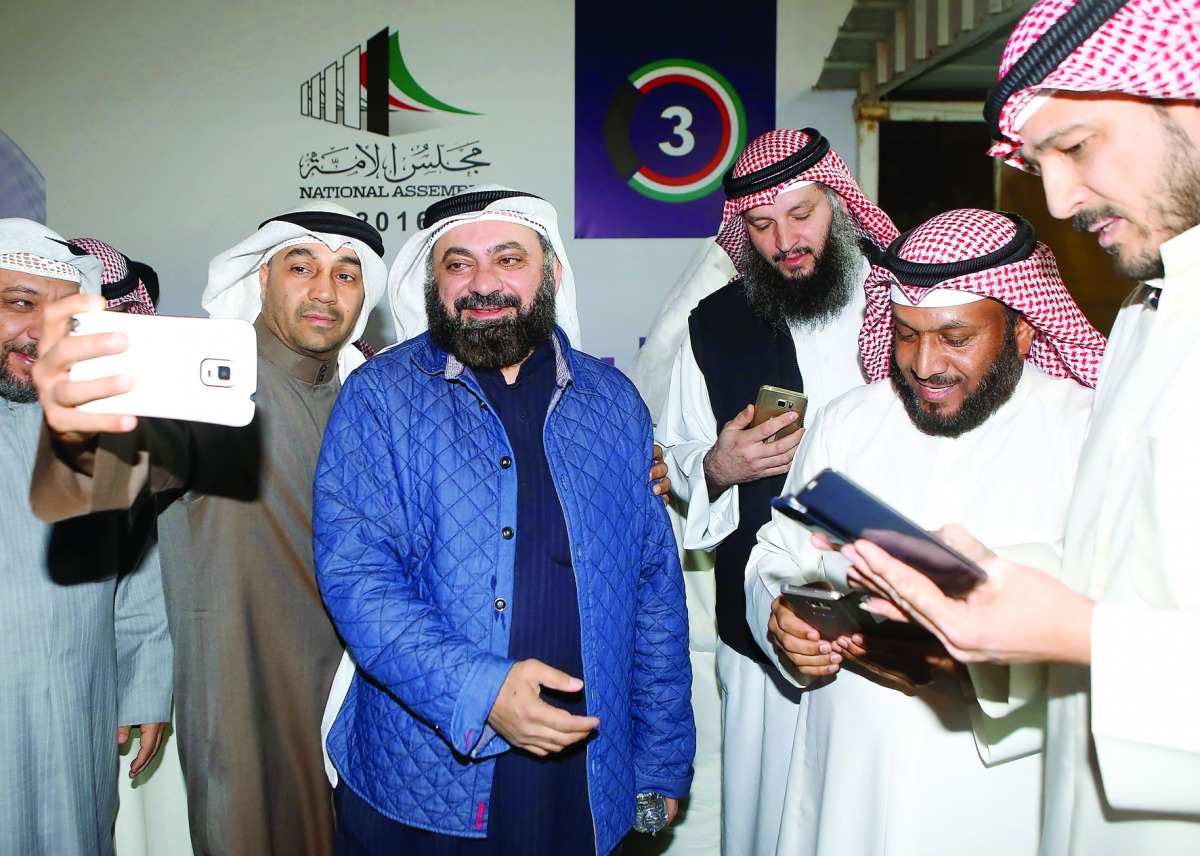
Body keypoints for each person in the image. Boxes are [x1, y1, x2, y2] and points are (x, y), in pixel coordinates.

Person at [826, 1, 1200, 853]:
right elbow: (1131, 565)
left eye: (1074, 146)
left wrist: (1073, 633)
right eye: (1041, 165)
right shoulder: (1150, 314)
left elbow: (1102, 620)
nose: (1061, 199)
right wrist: (987, 576)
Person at [313, 187, 695, 855]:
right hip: (425, 770)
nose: (482, 284)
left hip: (581, 768)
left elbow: (653, 592)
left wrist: (661, 755)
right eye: (458, 264)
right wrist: (481, 691)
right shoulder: (378, 398)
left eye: (508, 259)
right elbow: (356, 579)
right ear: (433, 281)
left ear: (549, 271)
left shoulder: (614, 404)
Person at [29, 203, 387, 856]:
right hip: (248, 710)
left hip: (368, 716)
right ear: (261, 278)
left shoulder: (368, 400)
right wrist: (78, 434)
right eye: (300, 266)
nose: (323, 290)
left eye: (346, 274)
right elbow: (106, 483)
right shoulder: (205, 388)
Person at [745, 208, 1105, 855]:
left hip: (996, 790)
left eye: (955, 337)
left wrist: (972, 653)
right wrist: (781, 624)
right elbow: (777, 554)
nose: (924, 363)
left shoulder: (1087, 433)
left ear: (1022, 330)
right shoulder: (850, 421)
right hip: (847, 770)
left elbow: (1114, 621)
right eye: (907, 335)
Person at [654, 127, 899, 855]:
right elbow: (679, 449)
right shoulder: (716, 323)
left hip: (892, 603)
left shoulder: (910, 300)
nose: (783, 240)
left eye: (802, 215)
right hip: (766, 617)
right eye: (760, 225)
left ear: (840, 204)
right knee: (769, 816)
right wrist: (719, 467)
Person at [0, 219, 172, 855]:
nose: (40, 331)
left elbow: (136, 569)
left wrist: (146, 684)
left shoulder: (101, 425)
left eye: (62, 313)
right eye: (20, 303)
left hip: (78, 705)